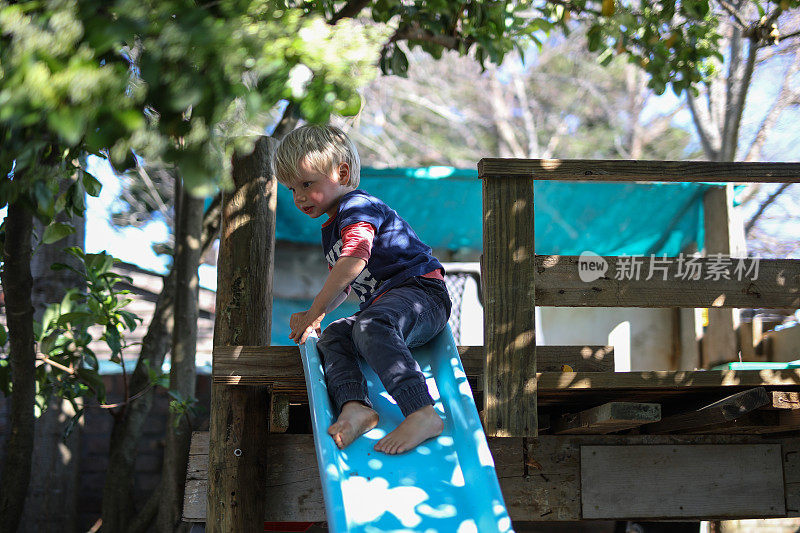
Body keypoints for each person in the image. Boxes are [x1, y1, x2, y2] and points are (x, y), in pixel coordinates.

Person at [274, 124, 452, 455]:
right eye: (291, 189)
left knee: (372, 324)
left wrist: (313, 310)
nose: (298, 197)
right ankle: (356, 406)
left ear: (341, 173)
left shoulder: (357, 206)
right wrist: (321, 317)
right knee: (335, 336)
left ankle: (423, 412)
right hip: (387, 309)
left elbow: (354, 259)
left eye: (307, 184)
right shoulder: (332, 229)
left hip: (422, 297)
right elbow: (345, 285)